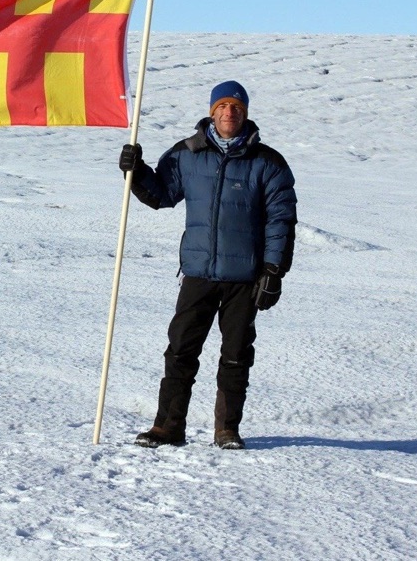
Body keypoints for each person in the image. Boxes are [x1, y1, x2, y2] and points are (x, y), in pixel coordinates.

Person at [118, 80, 297, 450]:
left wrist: (273, 271)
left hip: (244, 279)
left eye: (236, 107)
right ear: (212, 111)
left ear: (245, 113)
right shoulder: (187, 154)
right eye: (223, 106)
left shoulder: (268, 162)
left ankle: (227, 430)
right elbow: (161, 194)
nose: (229, 112)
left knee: (235, 356)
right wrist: (135, 172)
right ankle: (168, 427)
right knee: (180, 351)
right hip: (198, 273)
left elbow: (282, 219)